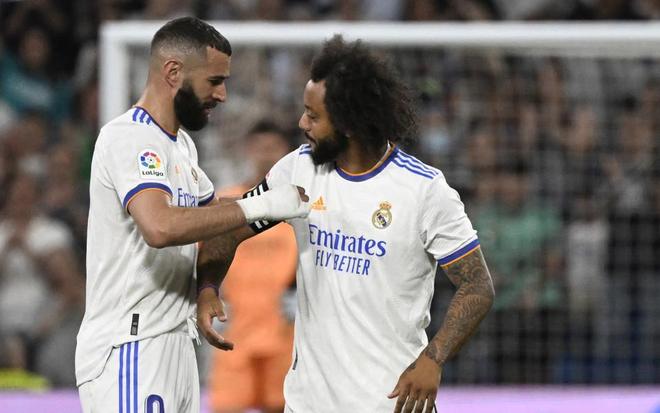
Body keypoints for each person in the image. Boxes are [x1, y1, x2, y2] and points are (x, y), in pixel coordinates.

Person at [196, 35, 495, 413]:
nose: (302, 122)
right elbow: (233, 227)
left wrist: (433, 359)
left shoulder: (424, 190)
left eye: (314, 115)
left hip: (389, 402)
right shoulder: (298, 169)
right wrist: (209, 285)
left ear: (350, 123)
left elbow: (477, 286)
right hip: (308, 403)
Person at [75, 17, 309, 413]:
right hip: (131, 346)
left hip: (175, 342)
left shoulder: (181, 145)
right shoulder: (130, 137)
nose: (222, 95)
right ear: (173, 72)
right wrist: (263, 205)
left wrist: (208, 287)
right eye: (214, 81)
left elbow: (218, 224)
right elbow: (160, 227)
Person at [208, 121, 297, 413]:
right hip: (235, 331)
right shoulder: (228, 203)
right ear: (248, 150)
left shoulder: (298, 207)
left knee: (282, 406)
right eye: (260, 148)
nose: (266, 155)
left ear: (286, 153)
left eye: (273, 148)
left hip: (284, 332)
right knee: (227, 406)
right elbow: (205, 257)